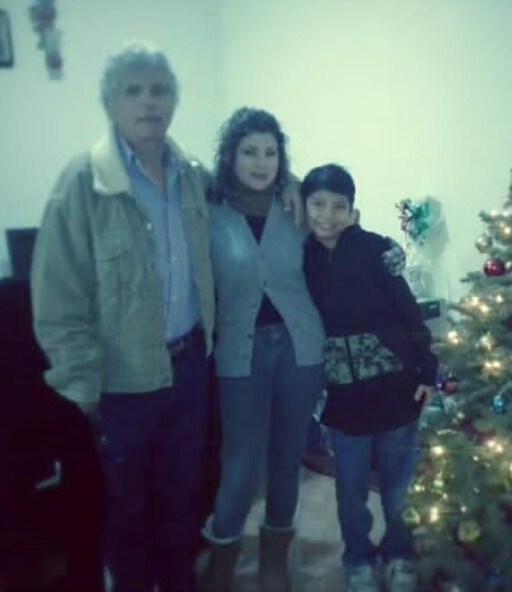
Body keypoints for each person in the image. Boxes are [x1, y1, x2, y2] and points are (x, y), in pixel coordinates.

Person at [31, 41, 215, 592]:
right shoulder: (81, 183)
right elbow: (57, 296)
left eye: (159, 90)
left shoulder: (193, 174)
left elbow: (252, 194)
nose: (148, 102)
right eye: (133, 91)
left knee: (183, 499)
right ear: (110, 104)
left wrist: (296, 189)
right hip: (120, 383)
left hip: (189, 369)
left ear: (174, 101)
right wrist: (82, 384)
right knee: (127, 513)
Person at [201, 107, 326, 592]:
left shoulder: (296, 208)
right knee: (241, 464)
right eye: (250, 152)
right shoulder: (209, 211)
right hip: (239, 352)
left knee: (287, 457)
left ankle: (275, 556)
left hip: (299, 348)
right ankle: (222, 557)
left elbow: (335, 226)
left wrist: (294, 182)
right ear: (230, 156)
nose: (261, 162)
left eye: (271, 153)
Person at [301, 163, 437, 592]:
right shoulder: (299, 259)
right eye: (318, 204)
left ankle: (400, 553)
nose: (327, 215)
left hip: (396, 393)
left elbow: (409, 312)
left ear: (352, 209)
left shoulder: (377, 251)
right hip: (343, 402)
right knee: (350, 491)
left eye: (338, 206)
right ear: (303, 206)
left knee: (398, 490)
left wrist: (427, 369)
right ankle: (357, 557)